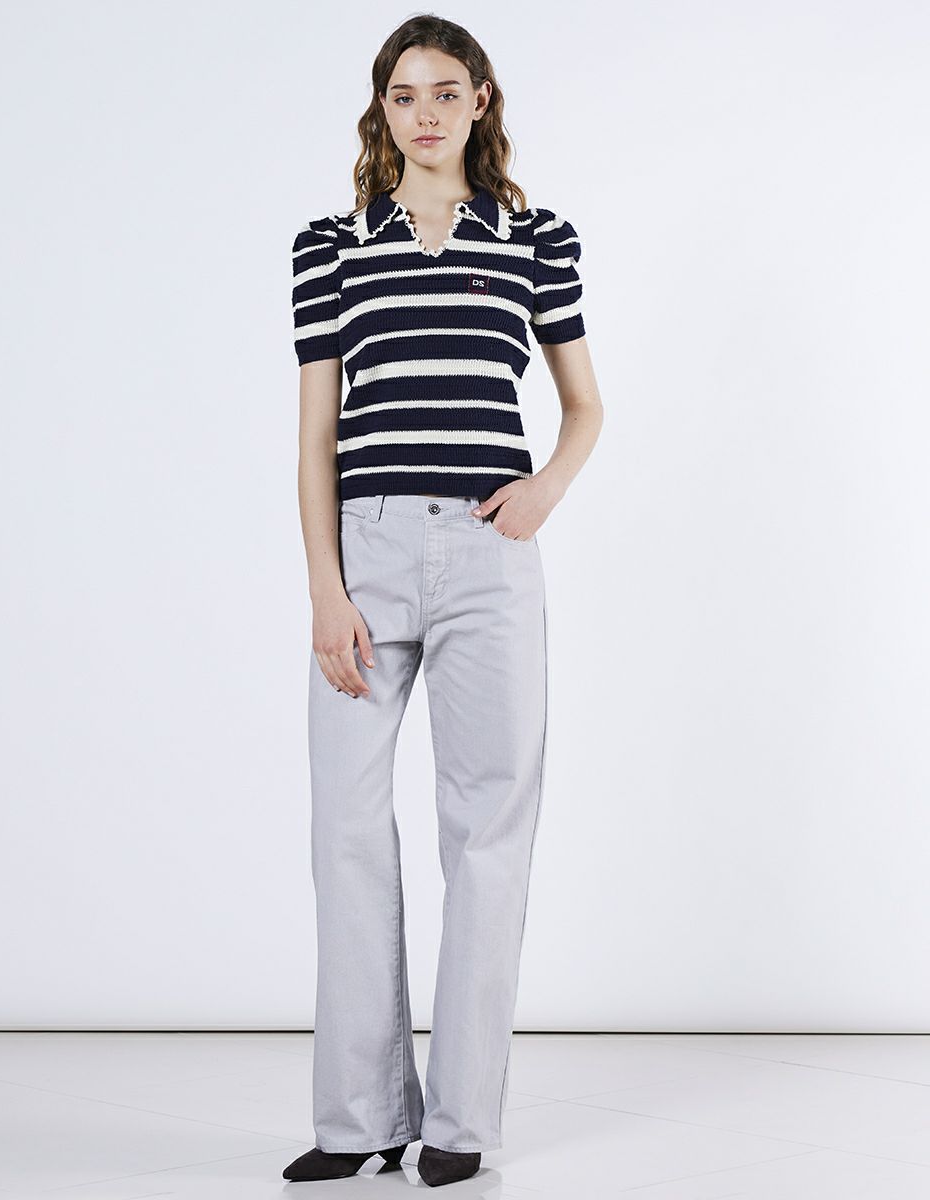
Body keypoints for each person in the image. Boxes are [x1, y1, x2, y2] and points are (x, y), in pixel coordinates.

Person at [285, 14, 603, 1188]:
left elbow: (584, 405)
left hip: (486, 555)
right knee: (346, 830)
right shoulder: (330, 245)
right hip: (365, 554)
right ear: (383, 110)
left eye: (444, 91)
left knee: (487, 834)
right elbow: (315, 437)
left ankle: (461, 1124)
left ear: (480, 101)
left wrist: (543, 492)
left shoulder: (535, 237)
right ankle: (359, 1119)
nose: (424, 112)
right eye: (402, 94)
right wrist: (325, 590)